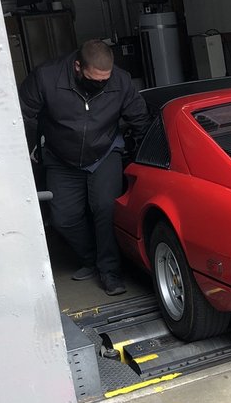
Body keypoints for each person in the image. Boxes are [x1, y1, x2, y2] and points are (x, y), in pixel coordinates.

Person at [19, 39, 150, 296]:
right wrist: (34, 146)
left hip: (104, 152)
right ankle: (91, 259)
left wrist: (143, 156)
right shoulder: (46, 77)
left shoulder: (121, 81)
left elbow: (140, 119)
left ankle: (110, 272)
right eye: (94, 80)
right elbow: (22, 114)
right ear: (78, 67)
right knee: (63, 218)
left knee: (105, 209)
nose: (101, 84)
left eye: (105, 80)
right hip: (60, 157)